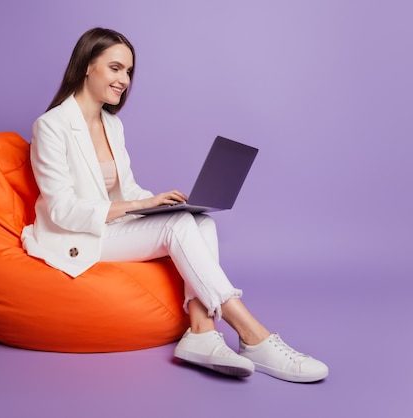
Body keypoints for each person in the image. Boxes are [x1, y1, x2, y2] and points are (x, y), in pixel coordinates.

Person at [21, 27, 328, 382]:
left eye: (129, 72)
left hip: (109, 226)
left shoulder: (111, 124)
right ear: (87, 66)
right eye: (116, 68)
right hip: (74, 235)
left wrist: (160, 202)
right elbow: (62, 210)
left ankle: (201, 331)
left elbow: (125, 188)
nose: (124, 80)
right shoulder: (51, 125)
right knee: (178, 226)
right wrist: (144, 208)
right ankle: (252, 334)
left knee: (201, 222)